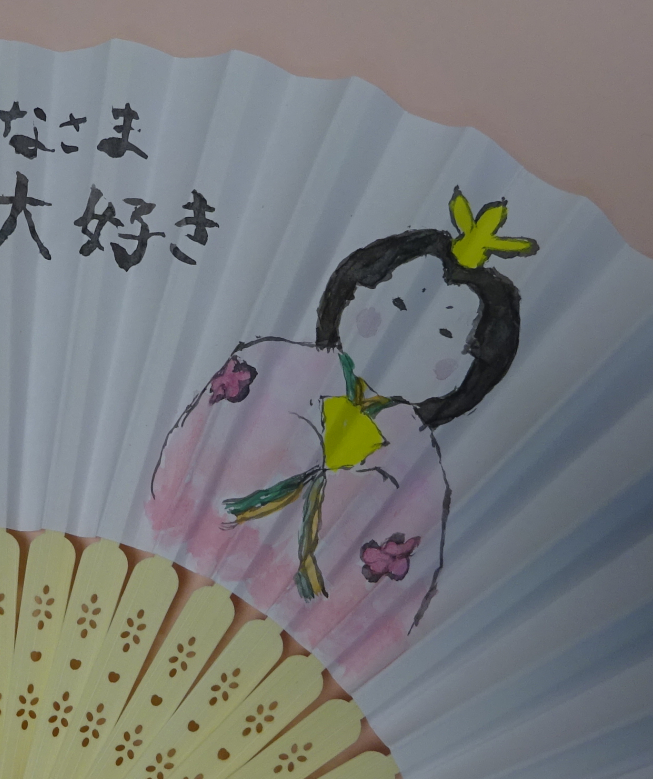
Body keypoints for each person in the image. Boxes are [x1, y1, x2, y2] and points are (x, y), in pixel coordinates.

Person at [146, 189, 536, 682]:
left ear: (471, 368)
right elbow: (186, 448)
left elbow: (393, 603)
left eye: (443, 336)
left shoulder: (421, 477)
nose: (405, 334)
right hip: (169, 570)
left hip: (285, 657)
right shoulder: (267, 364)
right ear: (355, 290)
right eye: (395, 303)